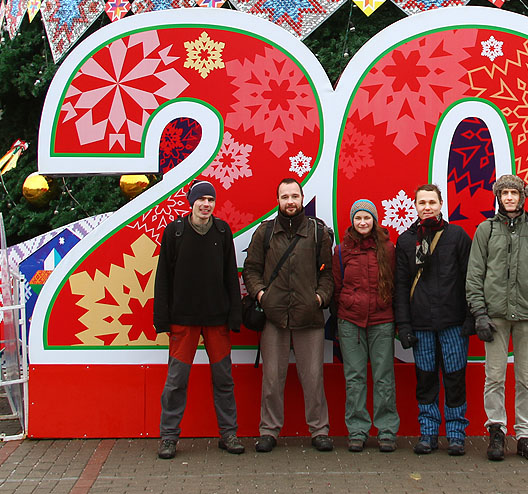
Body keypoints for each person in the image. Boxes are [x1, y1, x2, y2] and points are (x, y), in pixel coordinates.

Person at [466, 174, 528, 462]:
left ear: (522, 197)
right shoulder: (486, 230)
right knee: (493, 377)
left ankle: (525, 435)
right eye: (504, 193)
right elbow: (475, 275)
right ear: (498, 197)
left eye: (513, 193)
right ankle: (496, 431)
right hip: (495, 317)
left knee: (526, 379)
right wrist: (479, 312)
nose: (509, 198)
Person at [152, 180, 244, 459]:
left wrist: (234, 315)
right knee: (176, 381)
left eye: (211, 200)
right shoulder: (175, 232)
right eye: (201, 199)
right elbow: (163, 279)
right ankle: (168, 437)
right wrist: (162, 319)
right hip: (183, 319)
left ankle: (228, 434)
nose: (206, 204)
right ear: (191, 203)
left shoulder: (222, 231)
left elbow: (230, 274)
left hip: (216, 318)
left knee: (224, 379)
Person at [242, 178, 334, 453]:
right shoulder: (265, 233)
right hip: (274, 316)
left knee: (313, 378)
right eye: (285, 196)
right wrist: (262, 296)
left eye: (295, 196)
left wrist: (319, 298)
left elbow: (327, 274)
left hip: (309, 316)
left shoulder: (318, 232)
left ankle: (319, 431)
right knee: (272, 378)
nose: (290, 201)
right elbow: (251, 270)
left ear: (302, 198)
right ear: (278, 200)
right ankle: (268, 431)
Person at [394, 184, 472, 456]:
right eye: (421, 202)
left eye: (432, 202)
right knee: (425, 380)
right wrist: (403, 326)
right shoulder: (406, 241)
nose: (427, 207)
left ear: (441, 204)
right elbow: (401, 288)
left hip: (453, 324)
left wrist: (470, 318)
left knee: (454, 378)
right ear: (414, 206)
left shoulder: (458, 237)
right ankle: (428, 432)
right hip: (421, 325)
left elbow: (470, 280)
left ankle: (455, 434)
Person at [332, 199, 400, 453]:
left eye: (367, 218)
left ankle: (386, 429)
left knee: (384, 377)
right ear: (352, 221)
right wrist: (349, 307)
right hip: (350, 322)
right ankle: (358, 430)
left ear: (374, 220)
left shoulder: (388, 249)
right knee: (355, 377)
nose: (362, 222)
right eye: (358, 218)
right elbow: (337, 287)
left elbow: (394, 282)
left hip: (382, 321)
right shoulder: (341, 251)